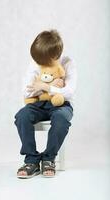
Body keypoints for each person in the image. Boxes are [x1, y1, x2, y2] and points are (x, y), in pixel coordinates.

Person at [14, 30, 77, 178]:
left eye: (44, 60)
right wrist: (51, 87)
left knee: (61, 119)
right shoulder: (36, 62)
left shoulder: (67, 63)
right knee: (22, 116)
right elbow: (26, 91)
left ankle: (48, 159)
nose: (40, 63)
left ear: (55, 55)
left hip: (62, 104)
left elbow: (69, 92)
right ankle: (31, 160)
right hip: (39, 104)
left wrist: (46, 87)